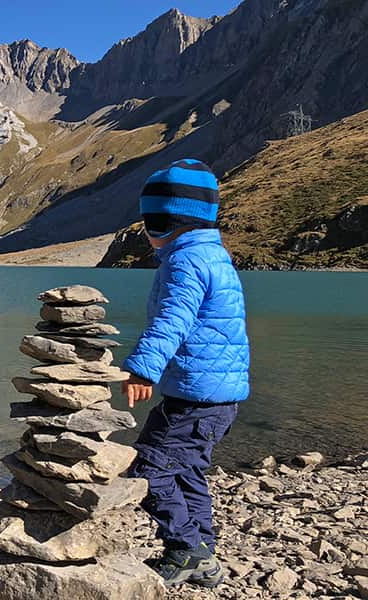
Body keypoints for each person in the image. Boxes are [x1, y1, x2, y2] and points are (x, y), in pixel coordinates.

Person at [120, 159, 250, 588]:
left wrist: (142, 368)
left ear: (168, 220)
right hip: (216, 397)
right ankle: (203, 552)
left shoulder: (186, 262)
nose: (146, 231)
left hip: (195, 397)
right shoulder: (212, 254)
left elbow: (172, 320)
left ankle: (185, 549)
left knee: (149, 468)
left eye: (149, 222)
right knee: (187, 470)